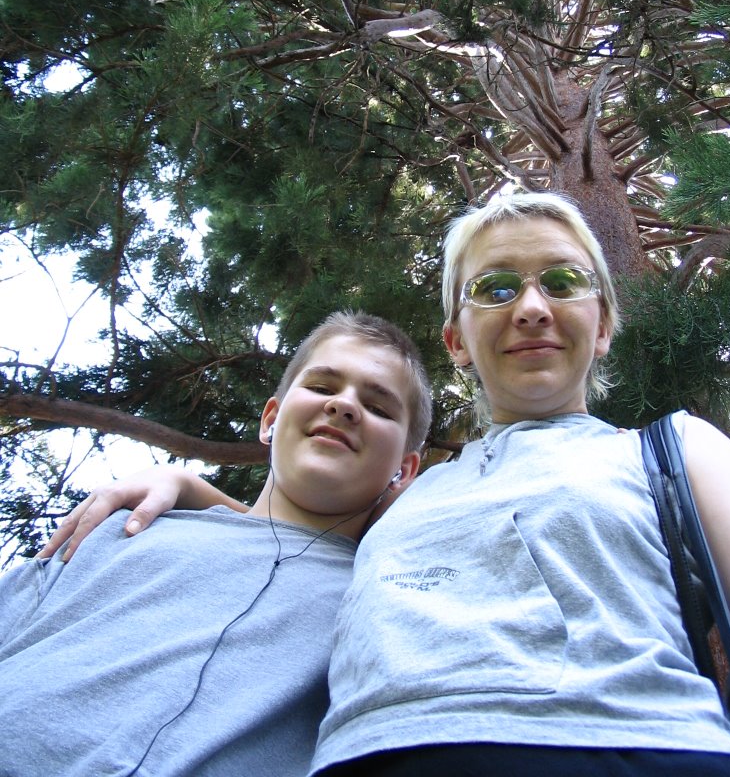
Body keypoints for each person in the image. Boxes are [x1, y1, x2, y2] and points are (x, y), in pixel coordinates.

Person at [36, 194, 730, 776]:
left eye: (564, 281)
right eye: (497, 286)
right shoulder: (414, 494)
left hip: (630, 745)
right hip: (372, 754)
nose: (533, 306)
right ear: (456, 340)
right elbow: (292, 540)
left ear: (603, 323)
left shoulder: (673, 448)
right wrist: (187, 486)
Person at [0, 311, 430, 777]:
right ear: (270, 419)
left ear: (404, 471)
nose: (344, 405)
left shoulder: (390, 602)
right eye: (323, 387)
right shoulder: (120, 528)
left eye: (379, 408)